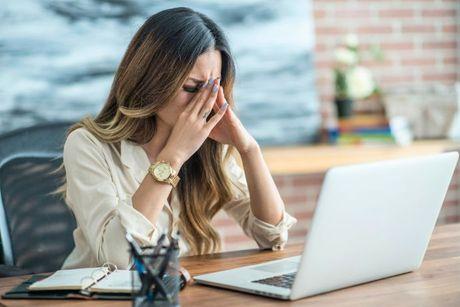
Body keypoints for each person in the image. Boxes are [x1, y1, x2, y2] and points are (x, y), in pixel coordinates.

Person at [60, 7, 297, 269]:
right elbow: (119, 259)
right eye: (192, 88)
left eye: (213, 88)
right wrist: (174, 156)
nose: (204, 101)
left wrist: (249, 149)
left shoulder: (208, 147)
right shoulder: (87, 145)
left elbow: (272, 236)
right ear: (151, 80)